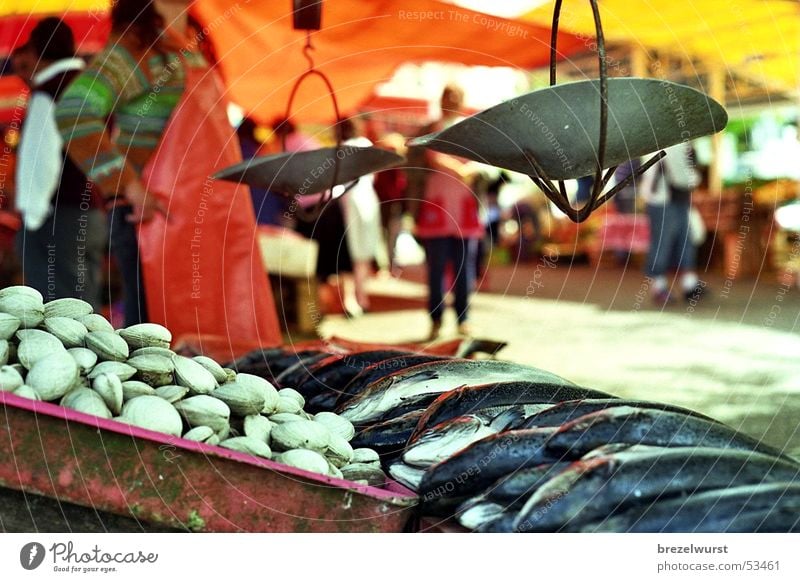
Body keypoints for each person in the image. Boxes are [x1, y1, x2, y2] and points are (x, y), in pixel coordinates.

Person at [56, 0, 279, 343]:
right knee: (157, 349)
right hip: (153, 223)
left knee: (212, 346)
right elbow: (74, 111)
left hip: (211, 224)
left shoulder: (195, 44)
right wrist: (127, 185)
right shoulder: (135, 49)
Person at [14, 18, 106, 307]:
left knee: (59, 313)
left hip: (58, 217)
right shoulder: (92, 88)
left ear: (38, 52)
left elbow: (40, 160)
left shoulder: (50, 92)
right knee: (84, 311)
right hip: (92, 213)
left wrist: (32, 219)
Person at [415, 85, 484, 338]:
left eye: (456, 96)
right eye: (448, 96)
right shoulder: (432, 128)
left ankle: (463, 318)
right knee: (436, 268)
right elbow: (432, 156)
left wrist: (471, 170)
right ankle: (435, 319)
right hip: (438, 205)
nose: (452, 100)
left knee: (464, 268)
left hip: (464, 208)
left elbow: (483, 157)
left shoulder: (470, 127)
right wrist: (461, 170)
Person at [640, 141, 705, 304]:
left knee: (684, 239)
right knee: (664, 242)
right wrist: (696, 178)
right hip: (662, 199)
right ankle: (659, 287)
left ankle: (689, 283)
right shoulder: (670, 141)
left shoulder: (667, 140)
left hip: (673, 197)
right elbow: (682, 174)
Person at [336, 117, 382, 315]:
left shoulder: (340, 149)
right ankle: (360, 296)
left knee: (352, 252)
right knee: (362, 254)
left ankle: (352, 299)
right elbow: (374, 174)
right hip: (366, 201)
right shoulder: (365, 145)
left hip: (348, 202)